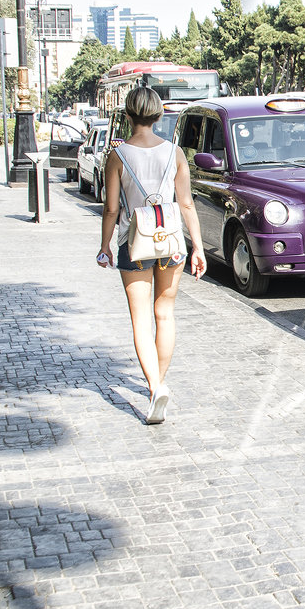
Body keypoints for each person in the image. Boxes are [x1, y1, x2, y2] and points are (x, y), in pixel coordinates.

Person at [98, 86, 207, 424]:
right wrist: (198, 247)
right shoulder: (174, 153)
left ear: (128, 116)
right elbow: (186, 203)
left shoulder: (118, 156)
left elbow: (111, 209)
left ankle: (156, 385)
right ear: (159, 115)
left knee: (140, 320)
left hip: (134, 242)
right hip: (171, 240)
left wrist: (104, 246)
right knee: (165, 314)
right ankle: (157, 385)